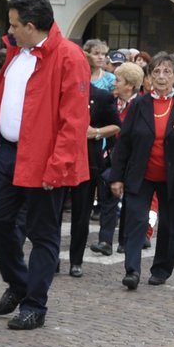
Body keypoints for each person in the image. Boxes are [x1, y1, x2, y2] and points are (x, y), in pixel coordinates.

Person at [0, 0, 90, 331]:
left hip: (46, 159)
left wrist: (58, 165)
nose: (8, 31)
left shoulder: (69, 57)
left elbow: (73, 120)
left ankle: (34, 304)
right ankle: (20, 282)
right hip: (10, 152)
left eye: (13, 25)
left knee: (43, 234)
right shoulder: (17, 52)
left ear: (30, 25)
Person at [108, 52, 174, 289]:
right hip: (141, 175)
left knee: (170, 226)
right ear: (149, 77)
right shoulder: (139, 104)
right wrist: (117, 176)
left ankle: (161, 269)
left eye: (167, 72)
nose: (161, 77)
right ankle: (132, 270)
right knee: (136, 221)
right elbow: (124, 143)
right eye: (156, 72)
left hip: (173, 176)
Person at [65, 48, 120, 277]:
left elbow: (116, 126)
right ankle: (50, 258)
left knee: (81, 213)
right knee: (52, 212)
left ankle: (75, 260)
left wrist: (95, 132)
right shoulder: (59, 93)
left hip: (88, 160)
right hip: (58, 159)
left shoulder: (100, 96)